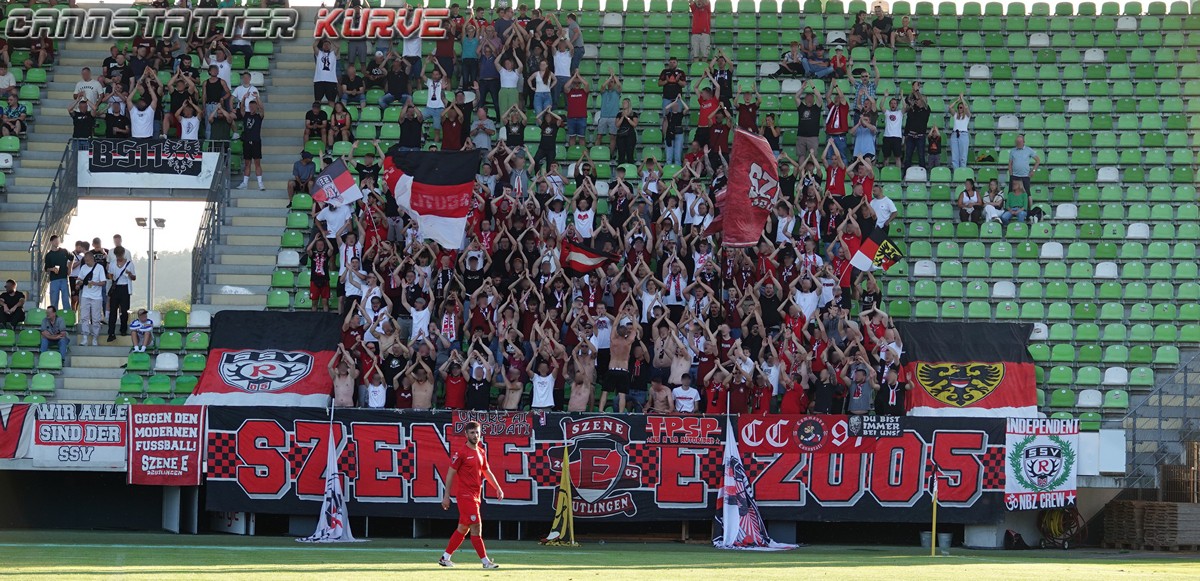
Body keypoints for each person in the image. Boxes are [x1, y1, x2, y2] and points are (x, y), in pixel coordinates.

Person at [440, 421, 503, 569]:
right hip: (465, 495)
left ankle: (445, 558)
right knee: (476, 527)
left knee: (463, 528)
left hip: (476, 495)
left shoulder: (481, 451)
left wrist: (498, 488)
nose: (476, 435)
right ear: (466, 434)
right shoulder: (461, 453)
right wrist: (446, 495)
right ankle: (486, 562)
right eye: (472, 433)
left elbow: (486, 471)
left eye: (477, 432)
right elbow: (450, 473)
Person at [105, 245, 136, 342]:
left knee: (124, 310)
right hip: (116, 287)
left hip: (125, 288)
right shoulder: (113, 264)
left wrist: (129, 274)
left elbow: (134, 277)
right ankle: (111, 332)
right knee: (113, 311)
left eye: (120, 255)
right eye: (117, 255)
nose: (119, 257)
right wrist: (111, 276)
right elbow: (109, 275)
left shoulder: (130, 264)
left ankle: (123, 329)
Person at [76, 251, 106, 347]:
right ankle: (85, 338)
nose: (86, 262)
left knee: (96, 318)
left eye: (87, 260)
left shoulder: (100, 268)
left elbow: (103, 282)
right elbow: (79, 278)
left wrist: (95, 283)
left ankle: (95, 338)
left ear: (91, 259)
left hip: (96, 297)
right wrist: (78, 283)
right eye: (85, 260)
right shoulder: (84, 267)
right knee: (84, 317)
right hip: (85, 295)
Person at [236, 99, 265, 190]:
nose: (251, 108)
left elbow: (262, 109)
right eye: (250, 106)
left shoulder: (258, 116)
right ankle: (245, 183)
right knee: (247, 163)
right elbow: (241, 108)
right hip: (247, 142)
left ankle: (260, 183)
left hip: (256, 141)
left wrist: (257, 99)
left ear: (256, 107)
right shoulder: (246, 115)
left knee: (257, 163)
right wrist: (244, 98)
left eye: (253, 106)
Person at [43, 235, 72, 311]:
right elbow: (46, 268)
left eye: (58, 241)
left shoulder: (64, 251)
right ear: (51, 242)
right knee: (54, 300)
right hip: (54, 279)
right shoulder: (49, 255)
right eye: (55, 241)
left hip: (64, 278)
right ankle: (54, 316)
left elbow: (72, 257)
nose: (57, 242)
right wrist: (52, 269)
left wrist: (70, 268)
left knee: (66, 299)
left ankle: (67, 316)